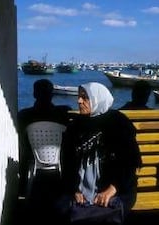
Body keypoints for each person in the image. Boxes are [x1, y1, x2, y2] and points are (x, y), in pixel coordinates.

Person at [58, 82, 142, 225]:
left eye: (85, 98)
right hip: (80, 190)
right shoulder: (75, 127)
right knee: (63, 206)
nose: (79, 101)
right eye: (79, 97)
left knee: (107, 207)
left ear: (98, 99)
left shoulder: (118, 123)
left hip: (117, 188)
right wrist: (74, 189)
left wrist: (112, 188)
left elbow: (129, 162)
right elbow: (67, 163)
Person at [17, 79, 72, 224]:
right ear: (52, 94)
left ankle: (23, 187)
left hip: (34, 161)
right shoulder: (63, 112)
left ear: (34, 94)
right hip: (59, 163)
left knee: (24, 144)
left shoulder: (24, 115)